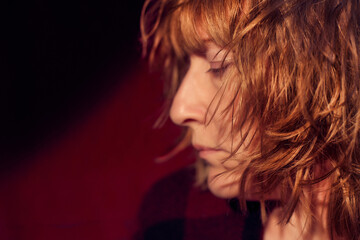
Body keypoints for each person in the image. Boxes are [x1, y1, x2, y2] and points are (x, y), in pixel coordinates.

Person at [139, 0, 360, 239]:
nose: (179, 110)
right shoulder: (175, 216)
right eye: (186, 65)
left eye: (219, 66)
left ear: (330, 79)